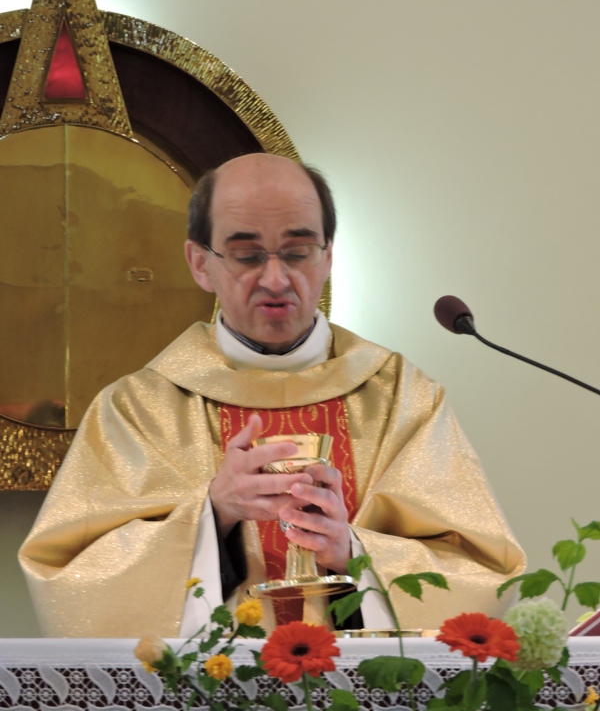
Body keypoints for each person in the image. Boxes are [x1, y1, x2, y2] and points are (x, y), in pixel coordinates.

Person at [19, 153, 525, 637]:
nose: (276, 279)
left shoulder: (402, 400)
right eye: (247, 256)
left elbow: (480, 570)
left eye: (298, 252)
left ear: (328, 257)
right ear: (200, 263)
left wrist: (351, 554)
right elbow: (72, 581)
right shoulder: (137, 411)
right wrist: (212, 516)